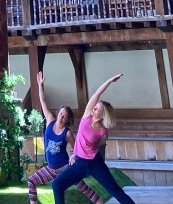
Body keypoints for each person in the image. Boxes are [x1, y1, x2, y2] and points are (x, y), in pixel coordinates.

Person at [51, 74, 136, 204]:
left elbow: (97, 147)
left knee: (116, 191)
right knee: (57, 185)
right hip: (79, 163)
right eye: (95, 106)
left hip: (95, 163)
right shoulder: (87, 115)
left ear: (102, 115)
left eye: (97, 109)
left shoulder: (103, 132)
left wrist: (80, 152)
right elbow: (97, 93)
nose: (94, 108)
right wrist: (109, 81)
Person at [29, 72, 101, 204]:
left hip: (65, 168)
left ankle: (98, 201)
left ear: (68, 119)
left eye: (65, 115)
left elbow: (77, 149)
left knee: (85, 189)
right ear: (58, 113)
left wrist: (73, 156)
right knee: (31, 181)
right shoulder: (50, 121)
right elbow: (43, 102)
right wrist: (40, 85)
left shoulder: (67, 133)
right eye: (61, 113)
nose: (62, 116)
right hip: (50, 168)